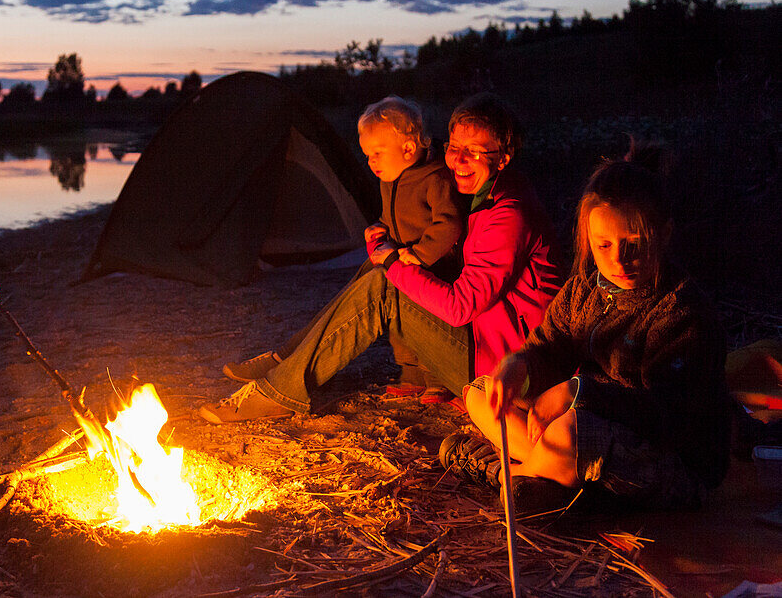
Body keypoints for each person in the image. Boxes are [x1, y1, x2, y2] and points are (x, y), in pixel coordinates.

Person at [199, 92, 562, 423]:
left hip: (506, 375)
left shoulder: (508, 214)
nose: (459, 160)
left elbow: (460, 306)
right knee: (378, 275)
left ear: (503, 158)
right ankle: (284, 364)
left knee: (383, 283)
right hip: (486, 349)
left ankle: (279, 389)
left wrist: (393, 263)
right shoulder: (488, 194)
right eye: (454, 147)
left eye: (476, 151)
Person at [441, 146, 730, 513]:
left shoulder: (681, 313)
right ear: (588, 239)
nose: (617, 260)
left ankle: (510, 478)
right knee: (483, 392)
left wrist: (577, 392)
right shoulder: (583, 292)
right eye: (603, 245)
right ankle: (543, 477)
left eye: (633, 245)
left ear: (664, 233)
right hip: (592, 426)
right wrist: (520, 367)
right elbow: (548, 348)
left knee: (570, 433)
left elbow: (665, 416)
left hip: (671, 460)